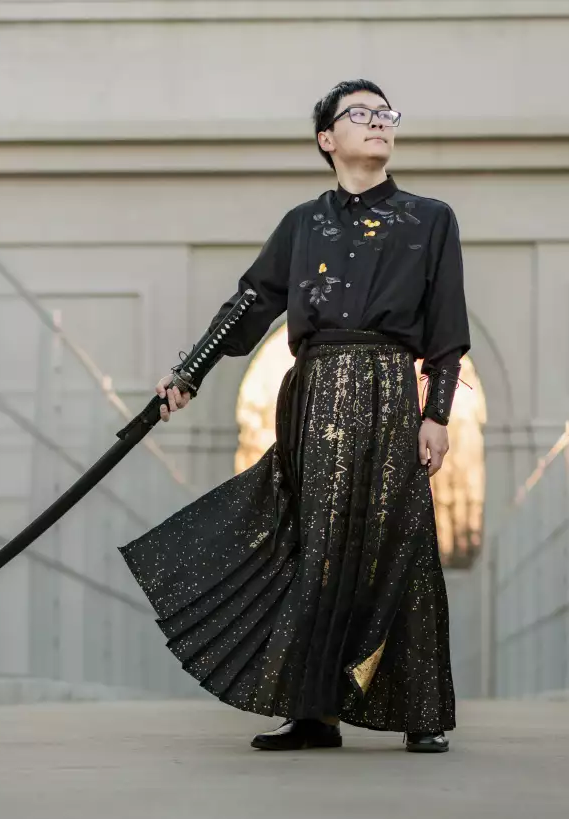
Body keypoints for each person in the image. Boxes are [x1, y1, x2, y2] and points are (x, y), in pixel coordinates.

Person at [119, 79, 470, 753]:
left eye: (384, 113)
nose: (377, 122)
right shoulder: (303, 224)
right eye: (360, 114)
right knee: (316, 548)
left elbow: (447, 328)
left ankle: (421, 711)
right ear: (326, 139)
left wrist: (437, 413)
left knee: (401, 540)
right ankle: (313, 713)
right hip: (314, 397)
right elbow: (249, 304)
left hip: (390, 390)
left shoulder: (432, 220)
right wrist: (190, 369)